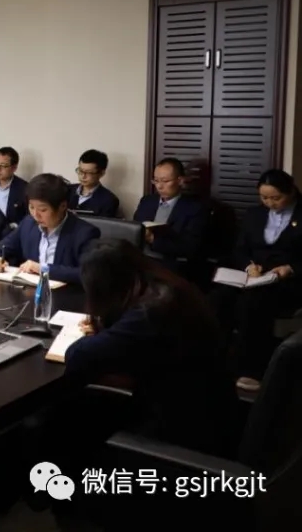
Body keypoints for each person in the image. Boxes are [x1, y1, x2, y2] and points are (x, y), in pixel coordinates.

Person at [67, 239, 236, 456]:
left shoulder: (149, 314)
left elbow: (77, 356)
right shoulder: (169, 290)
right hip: (211, 411)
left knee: (73, 418)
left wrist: (100, 332)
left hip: (182, 433)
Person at [215, 169, 302, 392]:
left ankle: (252, 369)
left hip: (288, 281)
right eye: (264, 198)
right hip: (255, 276)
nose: (269, 203)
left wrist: (290, 268)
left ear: (291, 192)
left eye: (276, 198)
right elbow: (240, 249)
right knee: (219, 298)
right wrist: (248, 265)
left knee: (253, 302)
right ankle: (217, 360)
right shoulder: (254, 214)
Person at [0, 173, 100, 284]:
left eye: (43, 210)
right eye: (31, 207)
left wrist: (43, 269)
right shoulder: (28, 223)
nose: (35, 215)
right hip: (29, 291)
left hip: (65, 294)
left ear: (62, 206)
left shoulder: (85, 233)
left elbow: (89, 273)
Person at [132, 157, 207, 274]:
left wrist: (152, 239)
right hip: (141, 258)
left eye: (165, 181)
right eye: (156, 181)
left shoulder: (195, 208)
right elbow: (134, 228)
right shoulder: (147, 201)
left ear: (180, 181)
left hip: (170, 263)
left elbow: (190, 247)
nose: (159, 186)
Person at [66, 149, 121, 217]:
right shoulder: (66, 190)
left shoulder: (109, 200)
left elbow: (103, 223)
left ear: (101, 173)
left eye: (89, 172)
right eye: (81, 171)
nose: (83, 176)